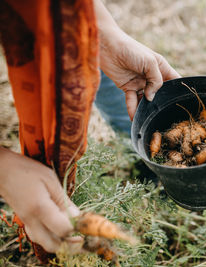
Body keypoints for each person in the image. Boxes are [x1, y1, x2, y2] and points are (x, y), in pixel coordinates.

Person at [0, 0, 179, 262]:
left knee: (123, 94)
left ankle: (142, 159)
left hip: (64, 19)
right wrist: (5, 171)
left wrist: (103, 35)